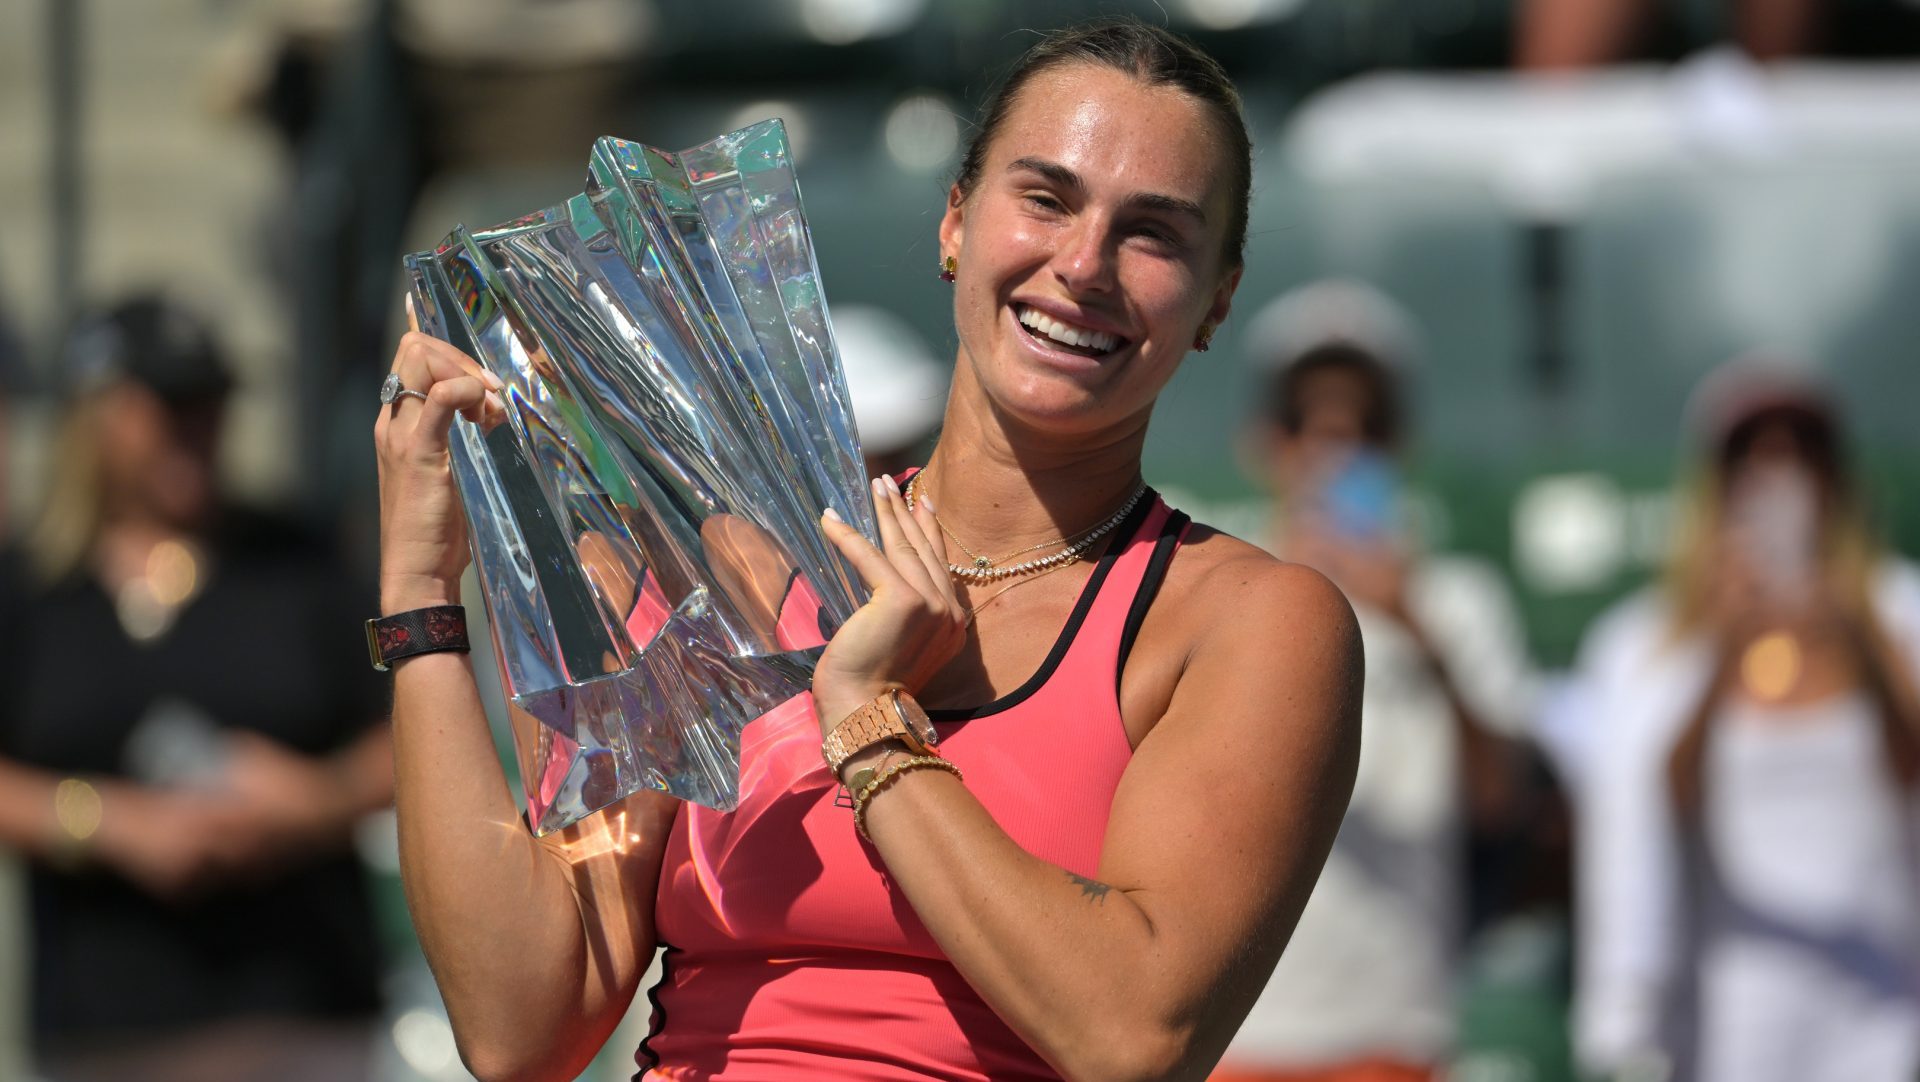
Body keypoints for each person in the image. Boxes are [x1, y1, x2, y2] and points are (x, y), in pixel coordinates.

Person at [375, 19, 1363, 1082]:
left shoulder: (1250, 623)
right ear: (955, 220)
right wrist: (422, 593)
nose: (1083, 263)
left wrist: (867, 716)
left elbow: (1133, 1034)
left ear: (1216, 297)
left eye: (1154, 232)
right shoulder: (728, 575)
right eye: (1045, 197)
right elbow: (523, 1022)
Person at [0, 296, 394, 1082]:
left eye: (210, 403)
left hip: (302, 1010)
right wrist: (107, 822)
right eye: (167, 406)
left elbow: (411, 735)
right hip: (109, 1024)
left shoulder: (299, 563)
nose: (194, 428)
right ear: (98, 417)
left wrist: (314, 801)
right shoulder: (34, 590)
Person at [1214, 282, 1536, 1082]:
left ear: (1399, 444)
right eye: (1306, 422)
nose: (1336, 447)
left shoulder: (1460, 604)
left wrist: (1416, 627)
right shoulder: (1209, 587)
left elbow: (1501, 804)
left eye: (1366, 425)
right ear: (1266, 442)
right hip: (1226, 1033)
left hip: (1390, 1030)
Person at [1572, 359, 1920, 1082]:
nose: (1778, 475)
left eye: (1801, 450)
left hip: (1885, 1018)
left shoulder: (1901, 617)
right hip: (1723, 1032)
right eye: (1752, 455)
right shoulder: (1647, 645)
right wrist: (1719, 655)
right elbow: (1658, 804)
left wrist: (1856, 640)